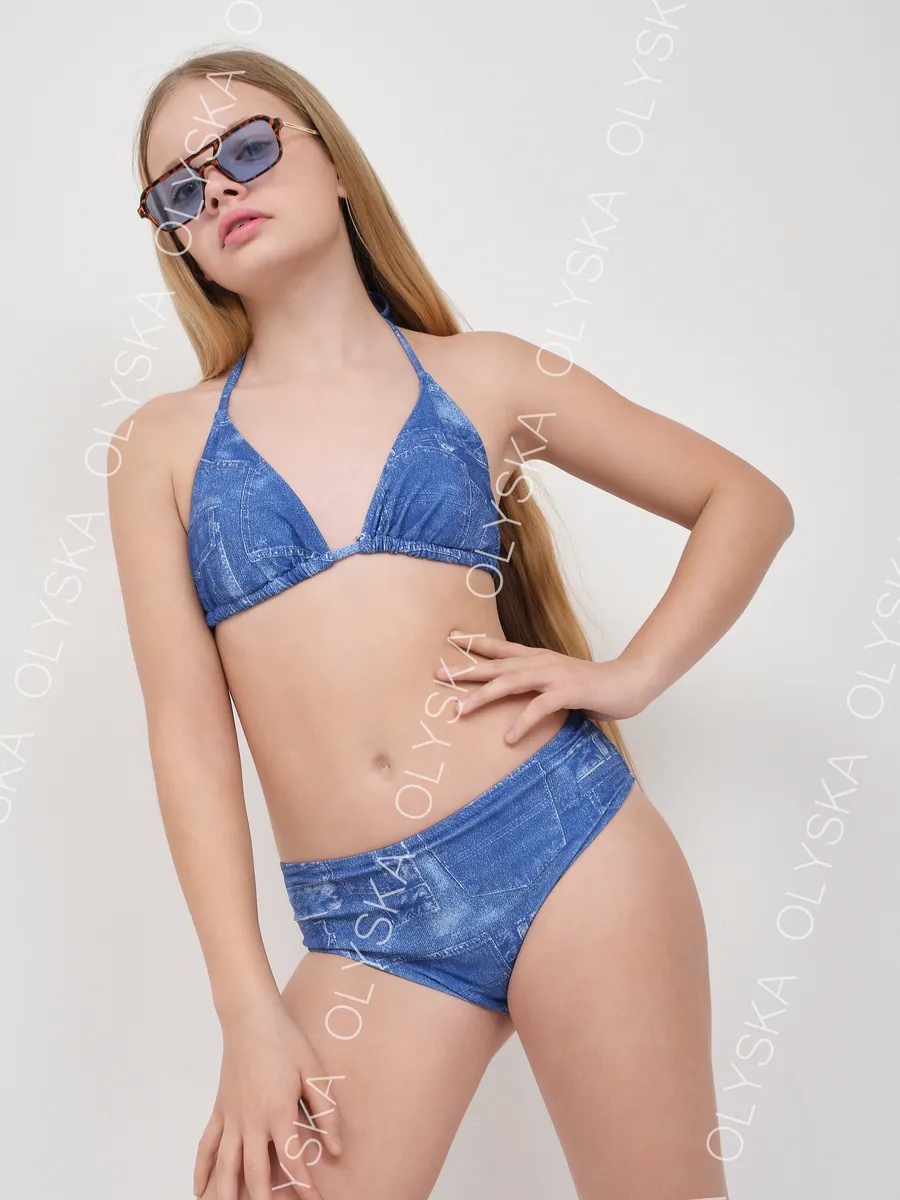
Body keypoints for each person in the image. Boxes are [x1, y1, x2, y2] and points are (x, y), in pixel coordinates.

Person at [110, 44, 792, 1200]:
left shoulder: (483, 378)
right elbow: (187, 737)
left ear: (333, 163)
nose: (218, 189)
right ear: (175, 235)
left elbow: (745, 502)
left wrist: (627, 677)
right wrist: (247, 1012)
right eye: (181, 188)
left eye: (247, 150)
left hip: (567, 846)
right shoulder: (160, 449)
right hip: (367, 929)